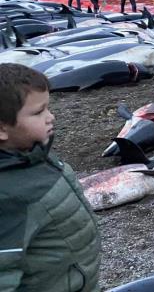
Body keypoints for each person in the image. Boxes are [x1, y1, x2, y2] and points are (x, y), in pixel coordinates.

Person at [0, 63, 101, 291]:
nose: (51, 117)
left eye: (48, 108)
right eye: (38, 112)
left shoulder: (32, 154)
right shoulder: (7, 197)